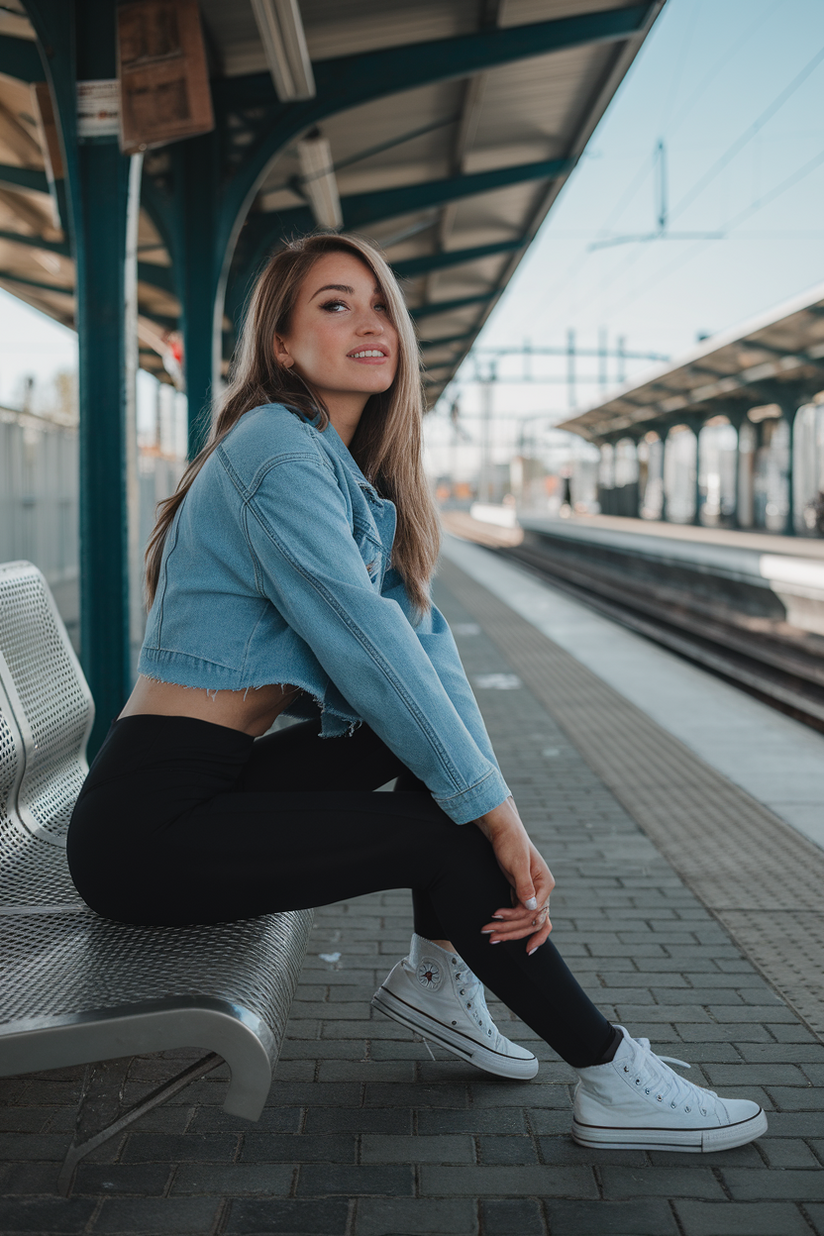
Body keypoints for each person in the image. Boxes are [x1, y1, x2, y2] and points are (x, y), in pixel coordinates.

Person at [67, 233, 766, 1153]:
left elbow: (424, 656)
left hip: (206, 788)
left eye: (379, 303)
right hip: (143, 832)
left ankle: (442, 975)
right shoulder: (277, 449)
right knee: (439, 836)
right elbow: (367, 650)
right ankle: (608, 1073)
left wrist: (498, 804)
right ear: (280, 345)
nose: (371, 322)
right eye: (333, 304)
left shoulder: (346, 475)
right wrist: (492, 822)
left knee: (432, 768)